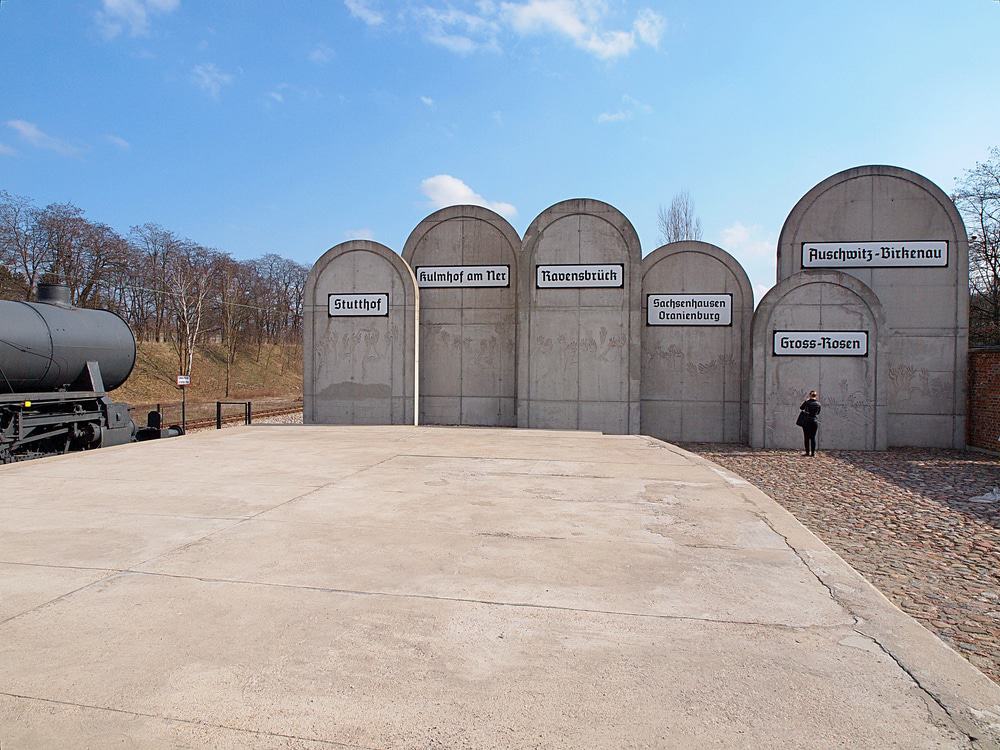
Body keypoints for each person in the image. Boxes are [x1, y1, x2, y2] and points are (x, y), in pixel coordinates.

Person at [798, 390, 821, 456]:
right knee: (813, 437)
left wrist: (806, 401)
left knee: (806, 437)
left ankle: (807, 452)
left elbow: (801, 408)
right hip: (814, 421)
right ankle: (813, 453)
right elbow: (818, 413)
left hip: (807, 421)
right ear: (816, 396)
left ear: (810, 395)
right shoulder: (818, 404)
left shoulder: (807, 402)